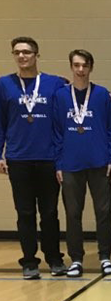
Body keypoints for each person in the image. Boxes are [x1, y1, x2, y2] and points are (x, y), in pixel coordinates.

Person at [0, 36, 68, 279]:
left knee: (49, 212)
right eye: (17, 52)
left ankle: (54, 258)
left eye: (27, 52)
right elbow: (0, 123)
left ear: (36, 55)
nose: (22, 56)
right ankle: (29, 261)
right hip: (18, 158)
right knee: (25, 213)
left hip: (48, 157)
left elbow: (63, 120)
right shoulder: (4, 84)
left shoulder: (54, 84)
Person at [52, 49, 111, 277]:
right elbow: (57, 132)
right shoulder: (60, 96)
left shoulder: (101, 95)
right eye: (77, 65)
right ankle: (76, 259)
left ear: (91, 68)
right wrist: (58, 164)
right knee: (73, 212)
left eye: (85, 65)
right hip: (70, 164)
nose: (80, 70)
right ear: (71, 67)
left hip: (99, 162)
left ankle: (105, 256)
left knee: (104, 211)